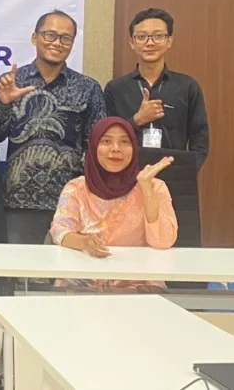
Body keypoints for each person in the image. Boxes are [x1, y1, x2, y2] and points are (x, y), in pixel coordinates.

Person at [0, 10, 106, 244]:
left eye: (65, 38)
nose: (57, 43)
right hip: (19, 201)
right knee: (21, 265)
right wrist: (4, 103)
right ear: (35, 37)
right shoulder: (12, 81)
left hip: (71, 201)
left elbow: (96, 146)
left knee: (69, 266)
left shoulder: (88, 88)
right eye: (50, 35)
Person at [50, 117, 177, 292]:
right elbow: (59, 231)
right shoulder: (77, 188)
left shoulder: (155, 186)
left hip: (136, 282)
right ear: (94, 147)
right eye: (106, 141)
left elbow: (163, 241)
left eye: (124, 142)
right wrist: (84, 242)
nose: (116, 149)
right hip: (83, 281)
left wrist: (146, 188)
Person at [104, 8, 209, 170]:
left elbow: (199, 139)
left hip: (174, 174)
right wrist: (137, 120)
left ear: (169, 41)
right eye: (142, 37)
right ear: (132, 43)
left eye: (158, 36)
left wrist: (186, 172)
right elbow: (106, 137)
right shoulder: (115, 88)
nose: (150, 43)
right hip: (126, 174)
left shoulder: (187, 87)